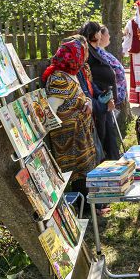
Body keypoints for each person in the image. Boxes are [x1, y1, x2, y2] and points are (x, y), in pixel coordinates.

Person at [42, 38, 97, 197]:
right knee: (78, 176)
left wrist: (87, 103)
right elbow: (51, 111)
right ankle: (84, 206)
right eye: (82, 54)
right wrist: (73, 116)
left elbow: (78, 97)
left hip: (80, 137)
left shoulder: (70, 74)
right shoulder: (58, 78)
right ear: (72, 57)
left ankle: (91, 205)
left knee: (84, 174)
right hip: (69, 140)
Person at [79, 21, 119, 160]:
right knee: (103, 137)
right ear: (94, 34)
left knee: (109, 135)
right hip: (98, 102)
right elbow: (89, 81)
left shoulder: (93, 50)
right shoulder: (88, 52)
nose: (100, 34)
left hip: (102, 97)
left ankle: (113, 160)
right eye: (98, 32)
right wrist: (102, 101)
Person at [96, 25, 127, 107]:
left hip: (115, 98)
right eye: (107, 34)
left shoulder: (103, 52)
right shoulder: (98, 54)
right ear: (100, 36)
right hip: (110, 99)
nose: (109, 36)